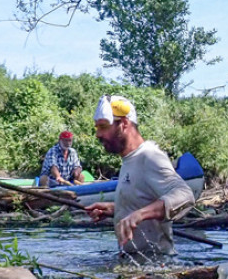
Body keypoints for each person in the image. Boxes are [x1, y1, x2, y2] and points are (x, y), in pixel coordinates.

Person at [84, 95, 195, 257]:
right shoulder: (130, 160)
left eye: (103, 127)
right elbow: (144, 201)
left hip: (157, 268)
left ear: (124, 124)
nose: (98, 134)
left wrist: (140, 214)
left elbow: (186, 196)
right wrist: (117, 209)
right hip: (136, 264)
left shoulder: (149, 156)